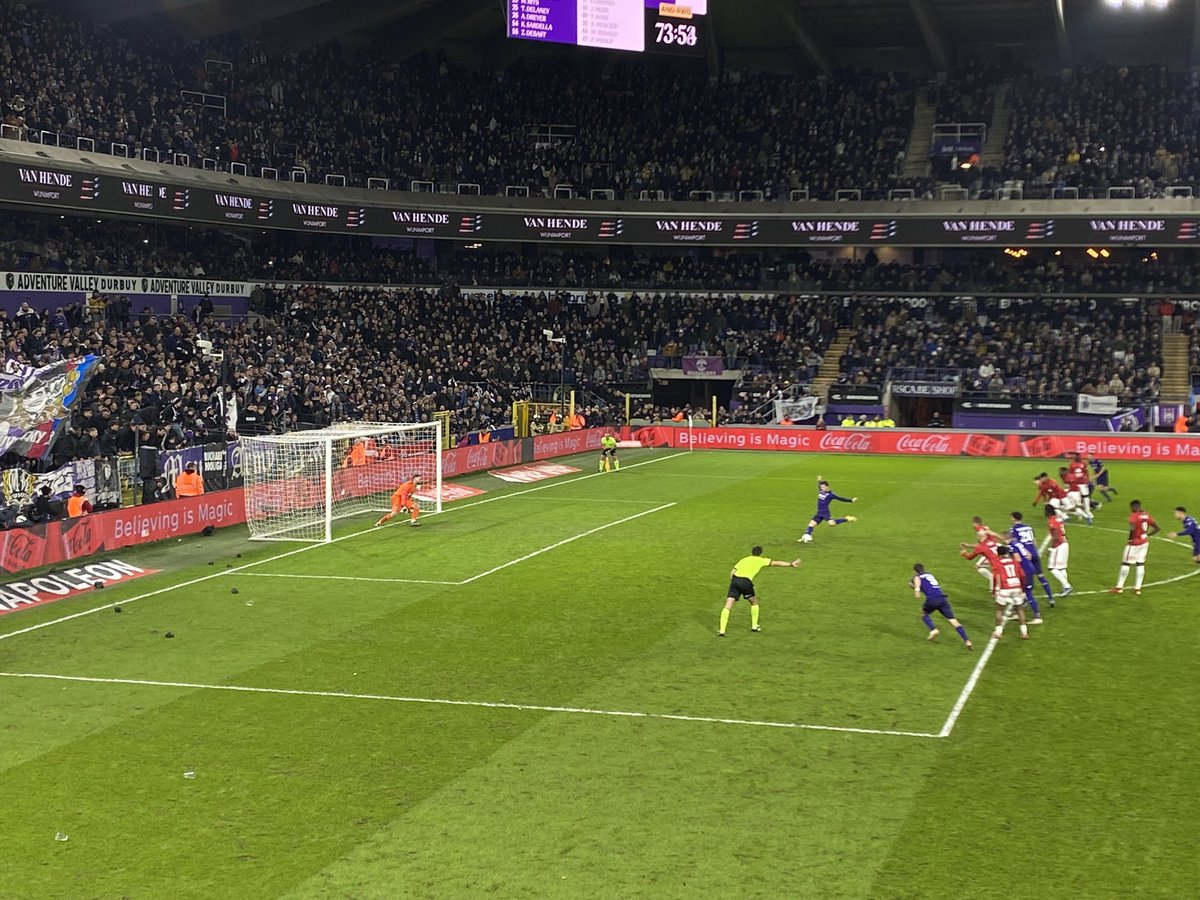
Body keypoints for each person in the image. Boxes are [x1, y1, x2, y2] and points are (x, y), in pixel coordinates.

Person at [718, 546, 800, 637]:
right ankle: (754, 626)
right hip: (746, 582)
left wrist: (734, 582)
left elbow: (732, 572)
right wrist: (791, 564)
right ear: (761, 553)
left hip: (735, 580)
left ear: (752, 552)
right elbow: (776, 563)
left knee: (728, 605)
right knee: (754, 602)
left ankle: (722, 630)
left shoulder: (744, 559)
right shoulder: (761, 560)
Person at [911, 564, 972, 649]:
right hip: (942, 599)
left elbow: (917, 585)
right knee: (953, 621)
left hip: (932, 600)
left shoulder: (917, 577)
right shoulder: (930, 575)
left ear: (915, 571)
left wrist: (916, 590)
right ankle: (967, 640)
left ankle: (933, 630)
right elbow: (928, 586)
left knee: (923, 613)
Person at [1110, 500, 1160, 595]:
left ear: (1133, 507)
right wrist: (1148, 535)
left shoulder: (1134, 516)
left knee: (1126, 563)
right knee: (1140, 564)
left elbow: (1132, 529)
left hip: (1134, 543)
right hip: (1144, 542)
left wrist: (1130, 539)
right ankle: (1137, 588)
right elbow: (1157, 528)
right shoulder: (1147, 515)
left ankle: (1119, 587)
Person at [1010, 511, 1055, 607]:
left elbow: (1015, 543)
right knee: (1041, 577)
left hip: (1026, 555)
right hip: (1034, 553)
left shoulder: (1013, 529)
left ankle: (1027, 599)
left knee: (1026, 579)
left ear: (1013, 518)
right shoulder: (1029, 527)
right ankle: (1051, 598)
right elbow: (1034, 541)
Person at [798, 475, 857, 542]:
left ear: (827, 486)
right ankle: (807, 536)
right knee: (811, 523)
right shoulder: (821, 491)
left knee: (831, 524)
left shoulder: (831, 494)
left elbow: (840, 498)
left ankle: (846, 519)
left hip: (825, 512)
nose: (821, 488)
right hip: (819, 512)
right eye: (821, 487)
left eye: (823, 487)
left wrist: (850, 500)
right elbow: (819, 485)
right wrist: (819, 480)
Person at [990, 545, 1030, 641]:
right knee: (1020, 610)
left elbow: (995, 577)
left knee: (999, 610)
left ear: (998, 554)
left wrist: (994, 590)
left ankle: (998, 632)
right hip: (1016, 587)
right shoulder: (1015, 562)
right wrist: (1023, 589)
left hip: (1005, 588)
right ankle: (1024, 633)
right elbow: (1023, 575)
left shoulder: (997, 563)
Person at [1043, 504, 1074, 597]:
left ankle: (1067, 586)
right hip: (1065, 543)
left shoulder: (1051, 521)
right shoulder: (1058, 518)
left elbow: (1056, 534)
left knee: (1052, 568)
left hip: (1059, 545)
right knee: (1062, 568)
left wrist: (1051, 548)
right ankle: (1065, 588)